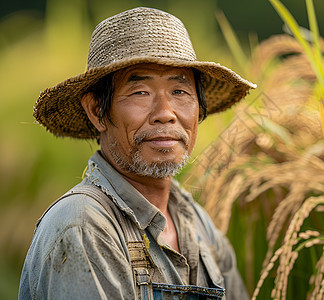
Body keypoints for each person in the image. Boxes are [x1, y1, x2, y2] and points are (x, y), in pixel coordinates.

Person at [19, 7, 255, 300]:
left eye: (179, 92)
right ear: (96, 111)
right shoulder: (83, 227)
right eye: (140, 92)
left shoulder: (196, 224)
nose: (165, 114)